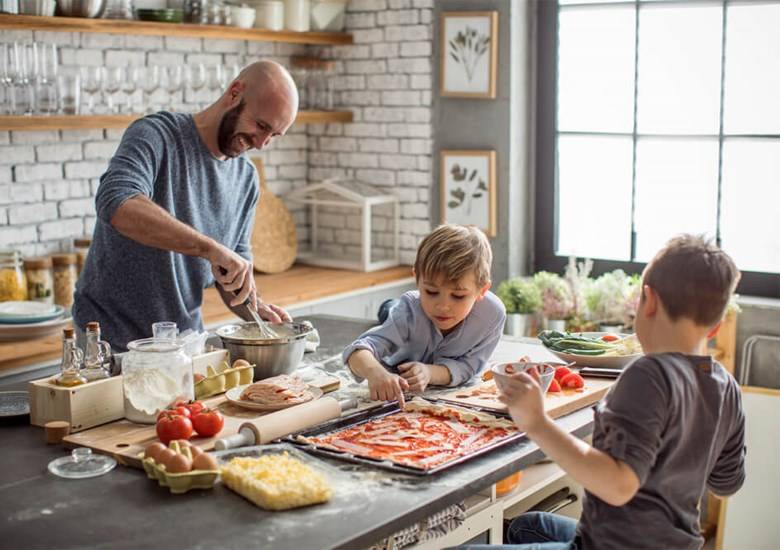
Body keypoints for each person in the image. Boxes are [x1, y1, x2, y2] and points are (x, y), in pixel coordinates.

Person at [482, 235, 745, 550]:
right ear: (715, 327)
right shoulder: (725, 385)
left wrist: (536, 422)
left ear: (649, 302)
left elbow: (619, 486)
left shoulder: (648, 375)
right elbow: (727, 483)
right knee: (527, 526)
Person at [73, 60, 298, 352]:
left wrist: (257, 314)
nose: (262, 142)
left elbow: (231, 273)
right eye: (261, 125)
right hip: (108, 343)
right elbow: (116, 202)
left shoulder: (246, 178)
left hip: (182, 346)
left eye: (274, 136)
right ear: (234, 93)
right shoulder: (156, 135)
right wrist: (209, 248)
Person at [343, 224, 506, 405]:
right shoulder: (409, 310)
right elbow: (356, 351)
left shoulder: (493, 316)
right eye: (431, 292)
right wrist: (376, 372)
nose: (443, 306)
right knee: (391, 310)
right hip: (404, 313)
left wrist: (429, 372)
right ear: (417, 279)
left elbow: (469, 367)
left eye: (458, 296)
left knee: (398, 309)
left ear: (482, 290)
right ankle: (388, 307)